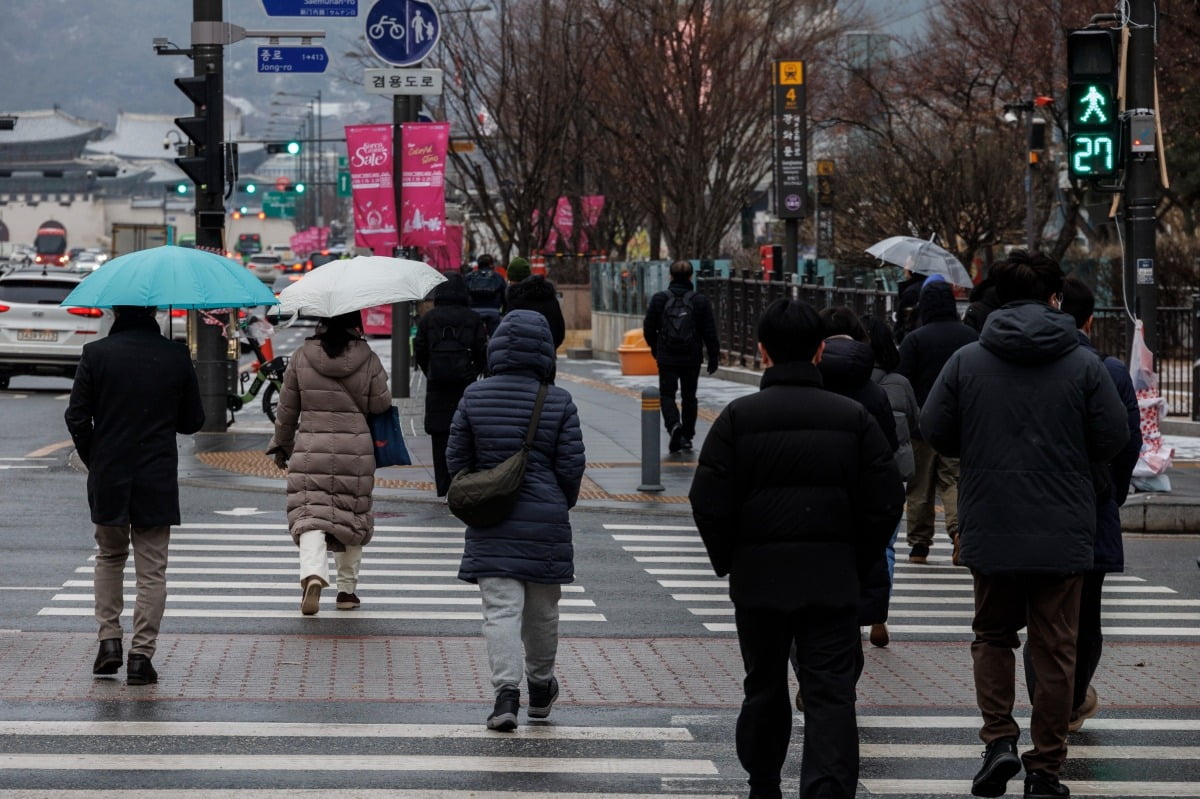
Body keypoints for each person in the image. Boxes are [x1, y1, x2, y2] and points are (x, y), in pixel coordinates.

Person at [919, 252, 1129, 799]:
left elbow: (935, 429)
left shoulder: (968, 361)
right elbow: (1113, 437)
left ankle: (998, 742)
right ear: (1055, 299)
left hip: (991, 520)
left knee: (992, 634)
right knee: (1055, 645)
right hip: (1063, 526)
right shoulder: (1082, 365)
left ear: (998, 301)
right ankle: (1045, 768)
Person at [690, 298, 904, 799]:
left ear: (762, 352)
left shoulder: (738, 419)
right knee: (831, 693)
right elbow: (886, 499)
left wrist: (732, 557)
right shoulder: (852, 418)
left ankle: (764, 782)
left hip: (759, 581)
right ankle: (826, 790)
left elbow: (709, 502)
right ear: (820, 351)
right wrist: (856, 557)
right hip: (832, 582)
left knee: (763, 684)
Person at [446, 310, 585, 731]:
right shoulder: (558, 400)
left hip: (491, 518)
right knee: (542, 612)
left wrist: (477, 488)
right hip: (545, 522)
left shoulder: (474, 395)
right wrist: (559, 503)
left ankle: (506, 696)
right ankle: (541, 689)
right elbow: (572, 466)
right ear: (546, 350)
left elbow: (456, 460)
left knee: (501, 611)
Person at [1022, 277, 1142, 732]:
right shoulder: (1107, 371)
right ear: (1089, 319)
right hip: (1091, 510)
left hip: (1032, 509)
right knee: (1085, 614)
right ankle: (1068, 702)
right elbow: (1128, 441)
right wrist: (1112, 490)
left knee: (1041, 617)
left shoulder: (1026, 363)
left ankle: (1044, 700)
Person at [64, 305, 205, 685]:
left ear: (116, 314)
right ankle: (141, 657)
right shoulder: (175, 355)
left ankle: (108, 641)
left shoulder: (96, 354)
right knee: (152, 569)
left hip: (109, 472)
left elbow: (76, 416)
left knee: (109, 557)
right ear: (154, 313)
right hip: (156, 475)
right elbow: (193, 421)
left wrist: (98, 457)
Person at [267, 310, 392, 615]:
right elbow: (381, 404)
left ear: (321, 322)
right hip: (356, 450)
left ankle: (313, 573)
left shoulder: (301, 357)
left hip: (311, 448)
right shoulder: (369, 358)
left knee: (310, 514)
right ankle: (347, 592)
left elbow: (286, 410)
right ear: (356, 324)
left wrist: (282, 446)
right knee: (352, 515)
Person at [817, 307, 899, 651]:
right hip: (863, 504)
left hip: (814, 504)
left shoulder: (806, 383)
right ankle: (875, 616)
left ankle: (813, 670)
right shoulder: (873, 392)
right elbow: (889, 448)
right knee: (880, 555)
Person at [897, 274, 979, 564]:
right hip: (958, 424)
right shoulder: (970, 338)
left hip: (921, 425)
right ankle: (959, 532)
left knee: (919, 486)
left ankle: (919, 545)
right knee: (953, 481)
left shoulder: (914, 340)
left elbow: (902, 380)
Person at [864, 313, 920, 646]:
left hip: (855, 475)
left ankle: (850, 614)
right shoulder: (901, 384)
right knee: (886, 547)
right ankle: (879, 617)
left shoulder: (848, 383)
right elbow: (916, 423)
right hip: (893, 475)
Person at [414, 274, 488, 497]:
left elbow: (419, 350)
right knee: (466, 434)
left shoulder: (429, 319)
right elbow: (481, 350)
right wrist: (474, 374)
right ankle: (462, 481)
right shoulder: (473, 318)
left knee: (440, 436)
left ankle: (443, 487)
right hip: (465, 386)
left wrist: (431, 372)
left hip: (437, 387)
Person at [643, 259, 720, 453]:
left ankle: (673, 425)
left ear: (670, 276)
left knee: (667, 394)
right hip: (691, 356)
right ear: (691, 276)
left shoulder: (659, 299)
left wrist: (655, 348)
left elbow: (648, 328)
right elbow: (709, 331)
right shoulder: (699, 301)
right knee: (689, 396)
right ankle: (687, 435)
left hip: (667, 356)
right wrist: (713, 356)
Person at [504, 256, 566, 351]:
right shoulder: (549, 296)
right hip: (546, 357)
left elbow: (507, 333)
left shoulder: (514, 301)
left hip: (519, 357)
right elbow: (559, 331)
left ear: (512, 281)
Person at [464, 253, 506, 336]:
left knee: (473, 337)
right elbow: (504, 296)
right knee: (494, 337)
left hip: (473, 311)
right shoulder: (498, 277)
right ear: (491, 264)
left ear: (478, 264)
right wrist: (503, 312)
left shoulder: (469, 276)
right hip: (493, 310)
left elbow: (464, 294)